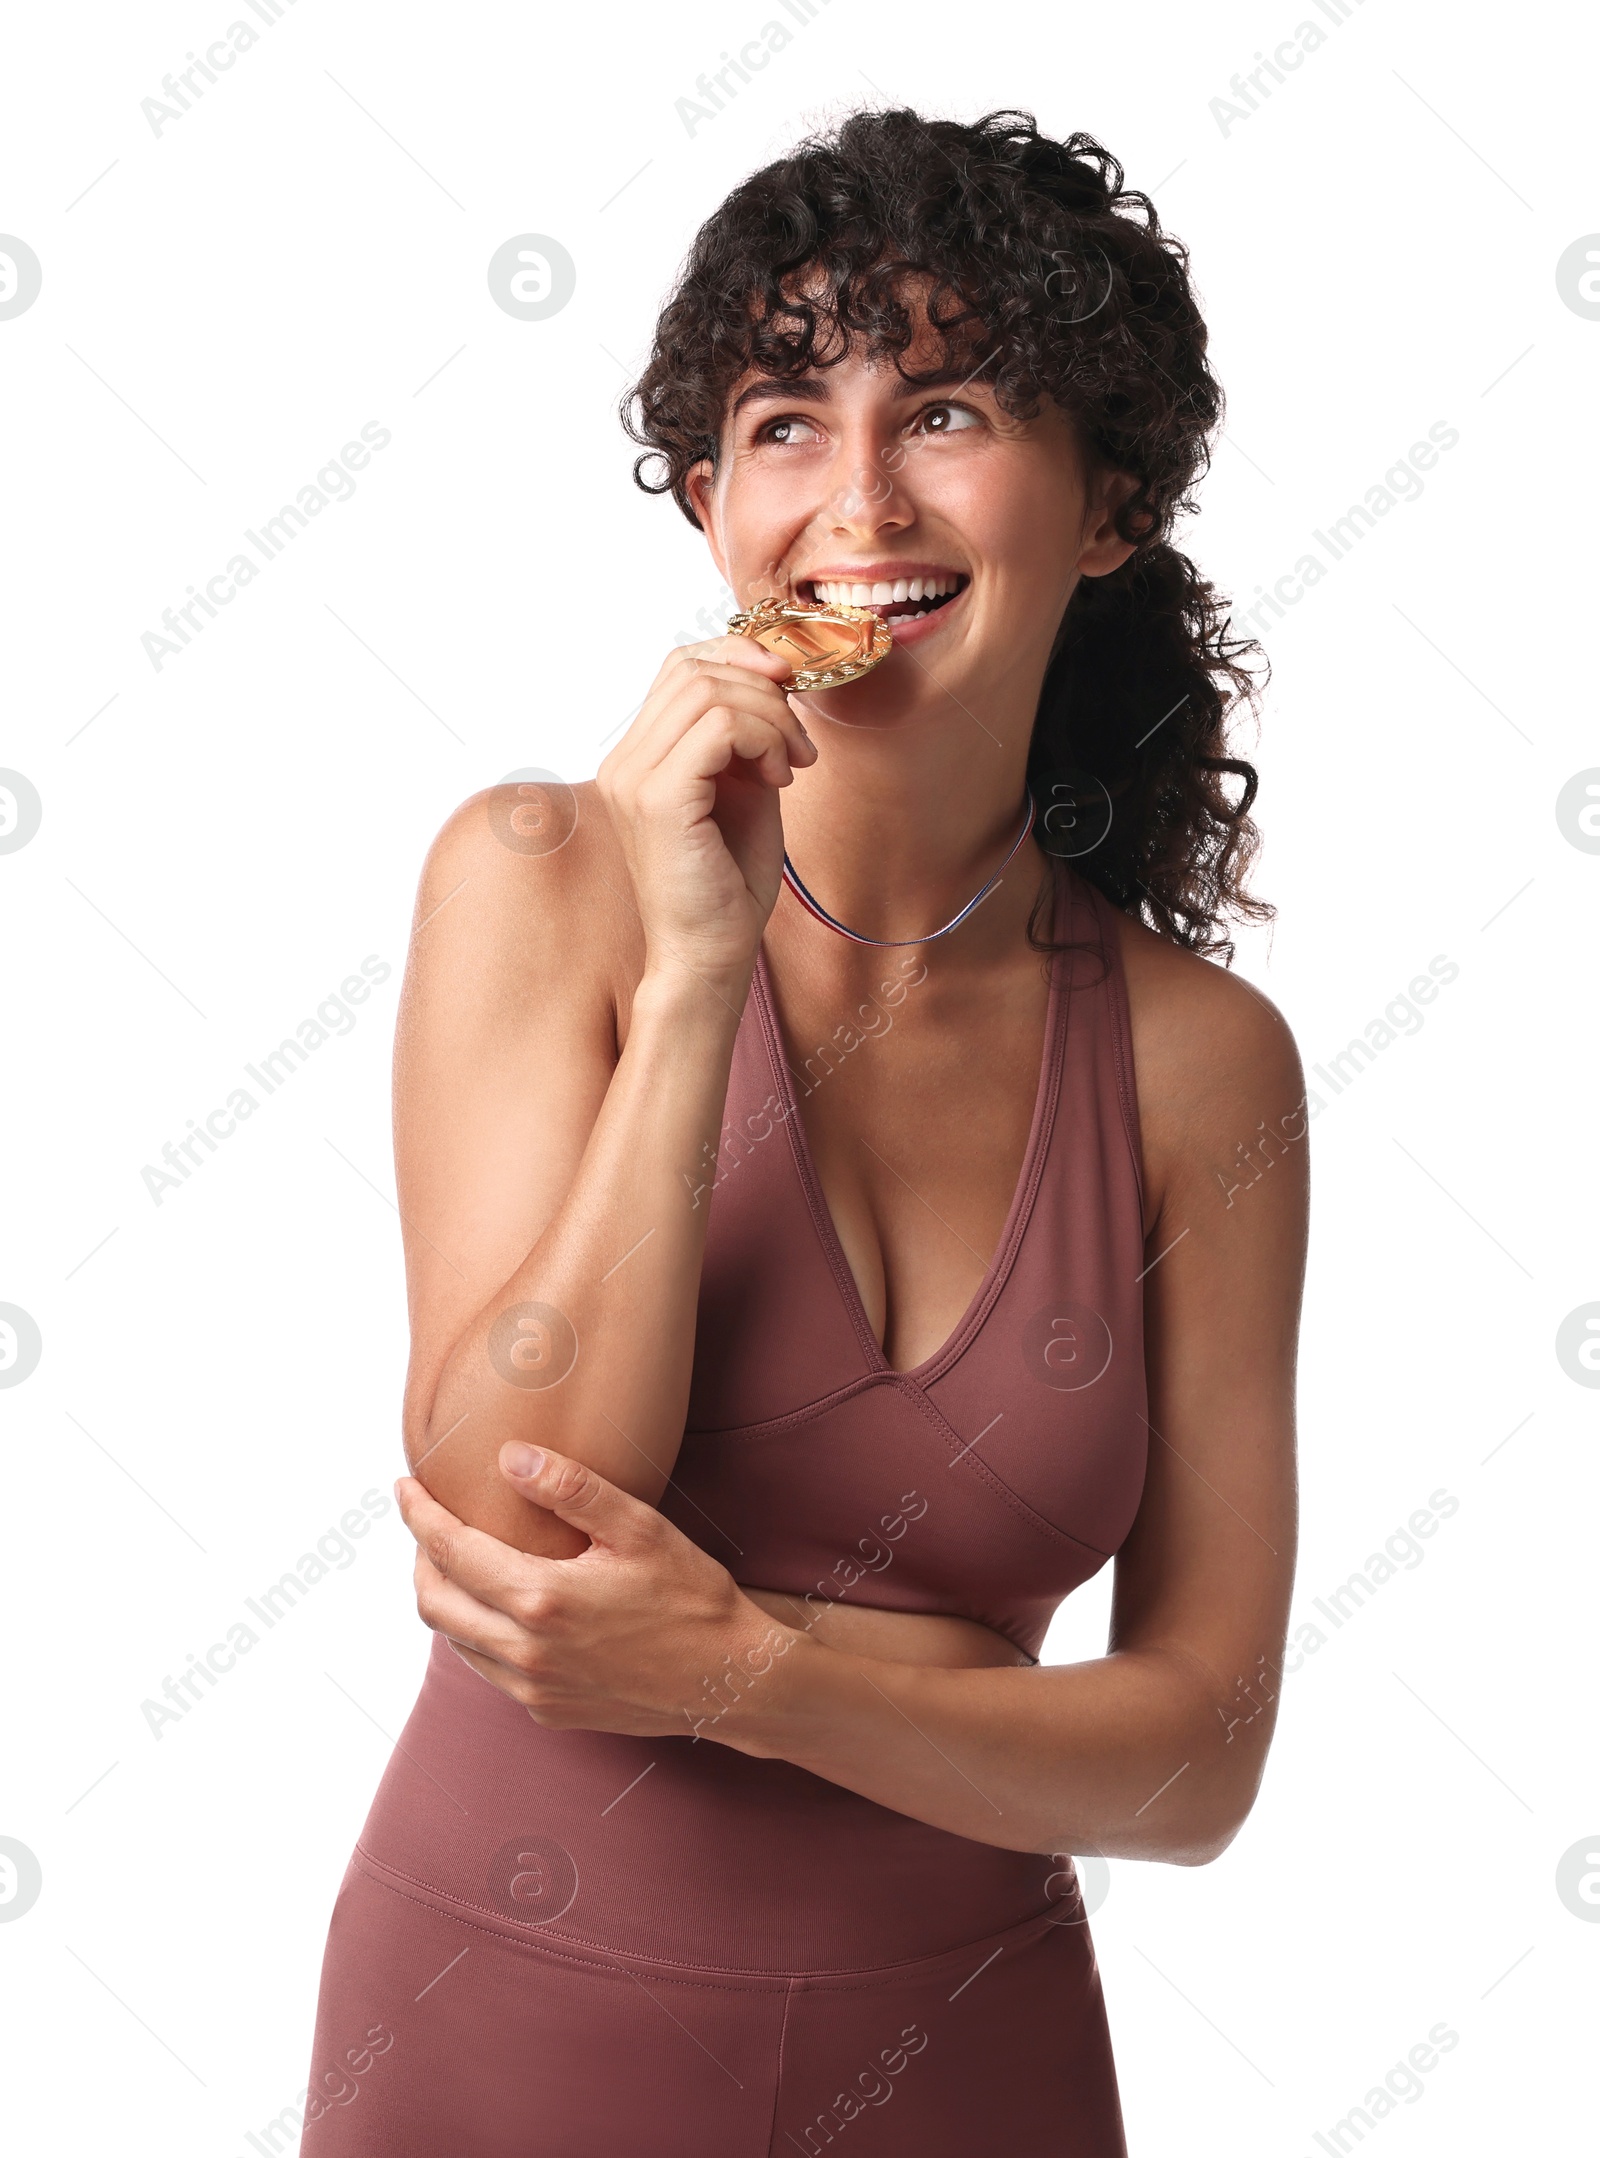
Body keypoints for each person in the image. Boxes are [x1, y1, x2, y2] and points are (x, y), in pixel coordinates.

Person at [297, 106, 1308, 2157]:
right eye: (780, 420)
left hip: (971, 2064)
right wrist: (689, 982)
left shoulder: (1200, 1061)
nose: (854, 497)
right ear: (706, 500)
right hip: (503, 2028)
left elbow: (1192, 1753)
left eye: (939, 407)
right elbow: (510, 1493)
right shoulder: (539, 877)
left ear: (1106, 499)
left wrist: (737, 1668)